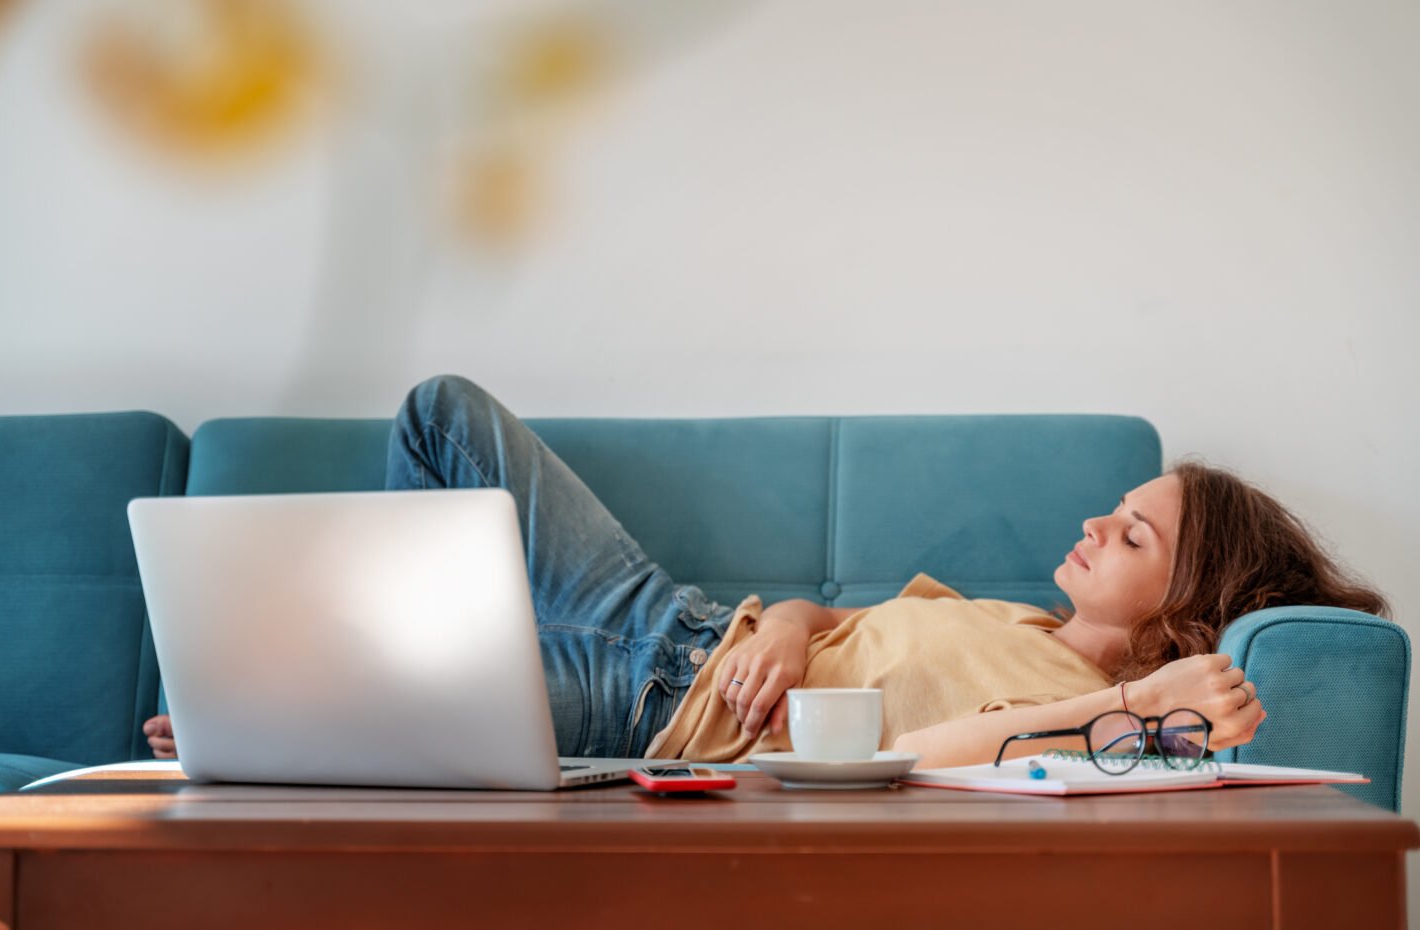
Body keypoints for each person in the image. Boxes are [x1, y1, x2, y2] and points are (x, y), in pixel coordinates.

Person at [142, 375, 1390, 768]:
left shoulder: (1074, 728)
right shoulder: (1013, 611)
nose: (1094, 524)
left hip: (662, 715)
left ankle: (300, 715)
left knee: (377, 719)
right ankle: (331, 693)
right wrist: (789, 629)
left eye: (1133, 534)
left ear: (1185, 603)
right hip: (683, 623)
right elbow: (827, 615)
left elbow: (911, 766)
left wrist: (1119, 706)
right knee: (442, 413)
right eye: (1113, 507)